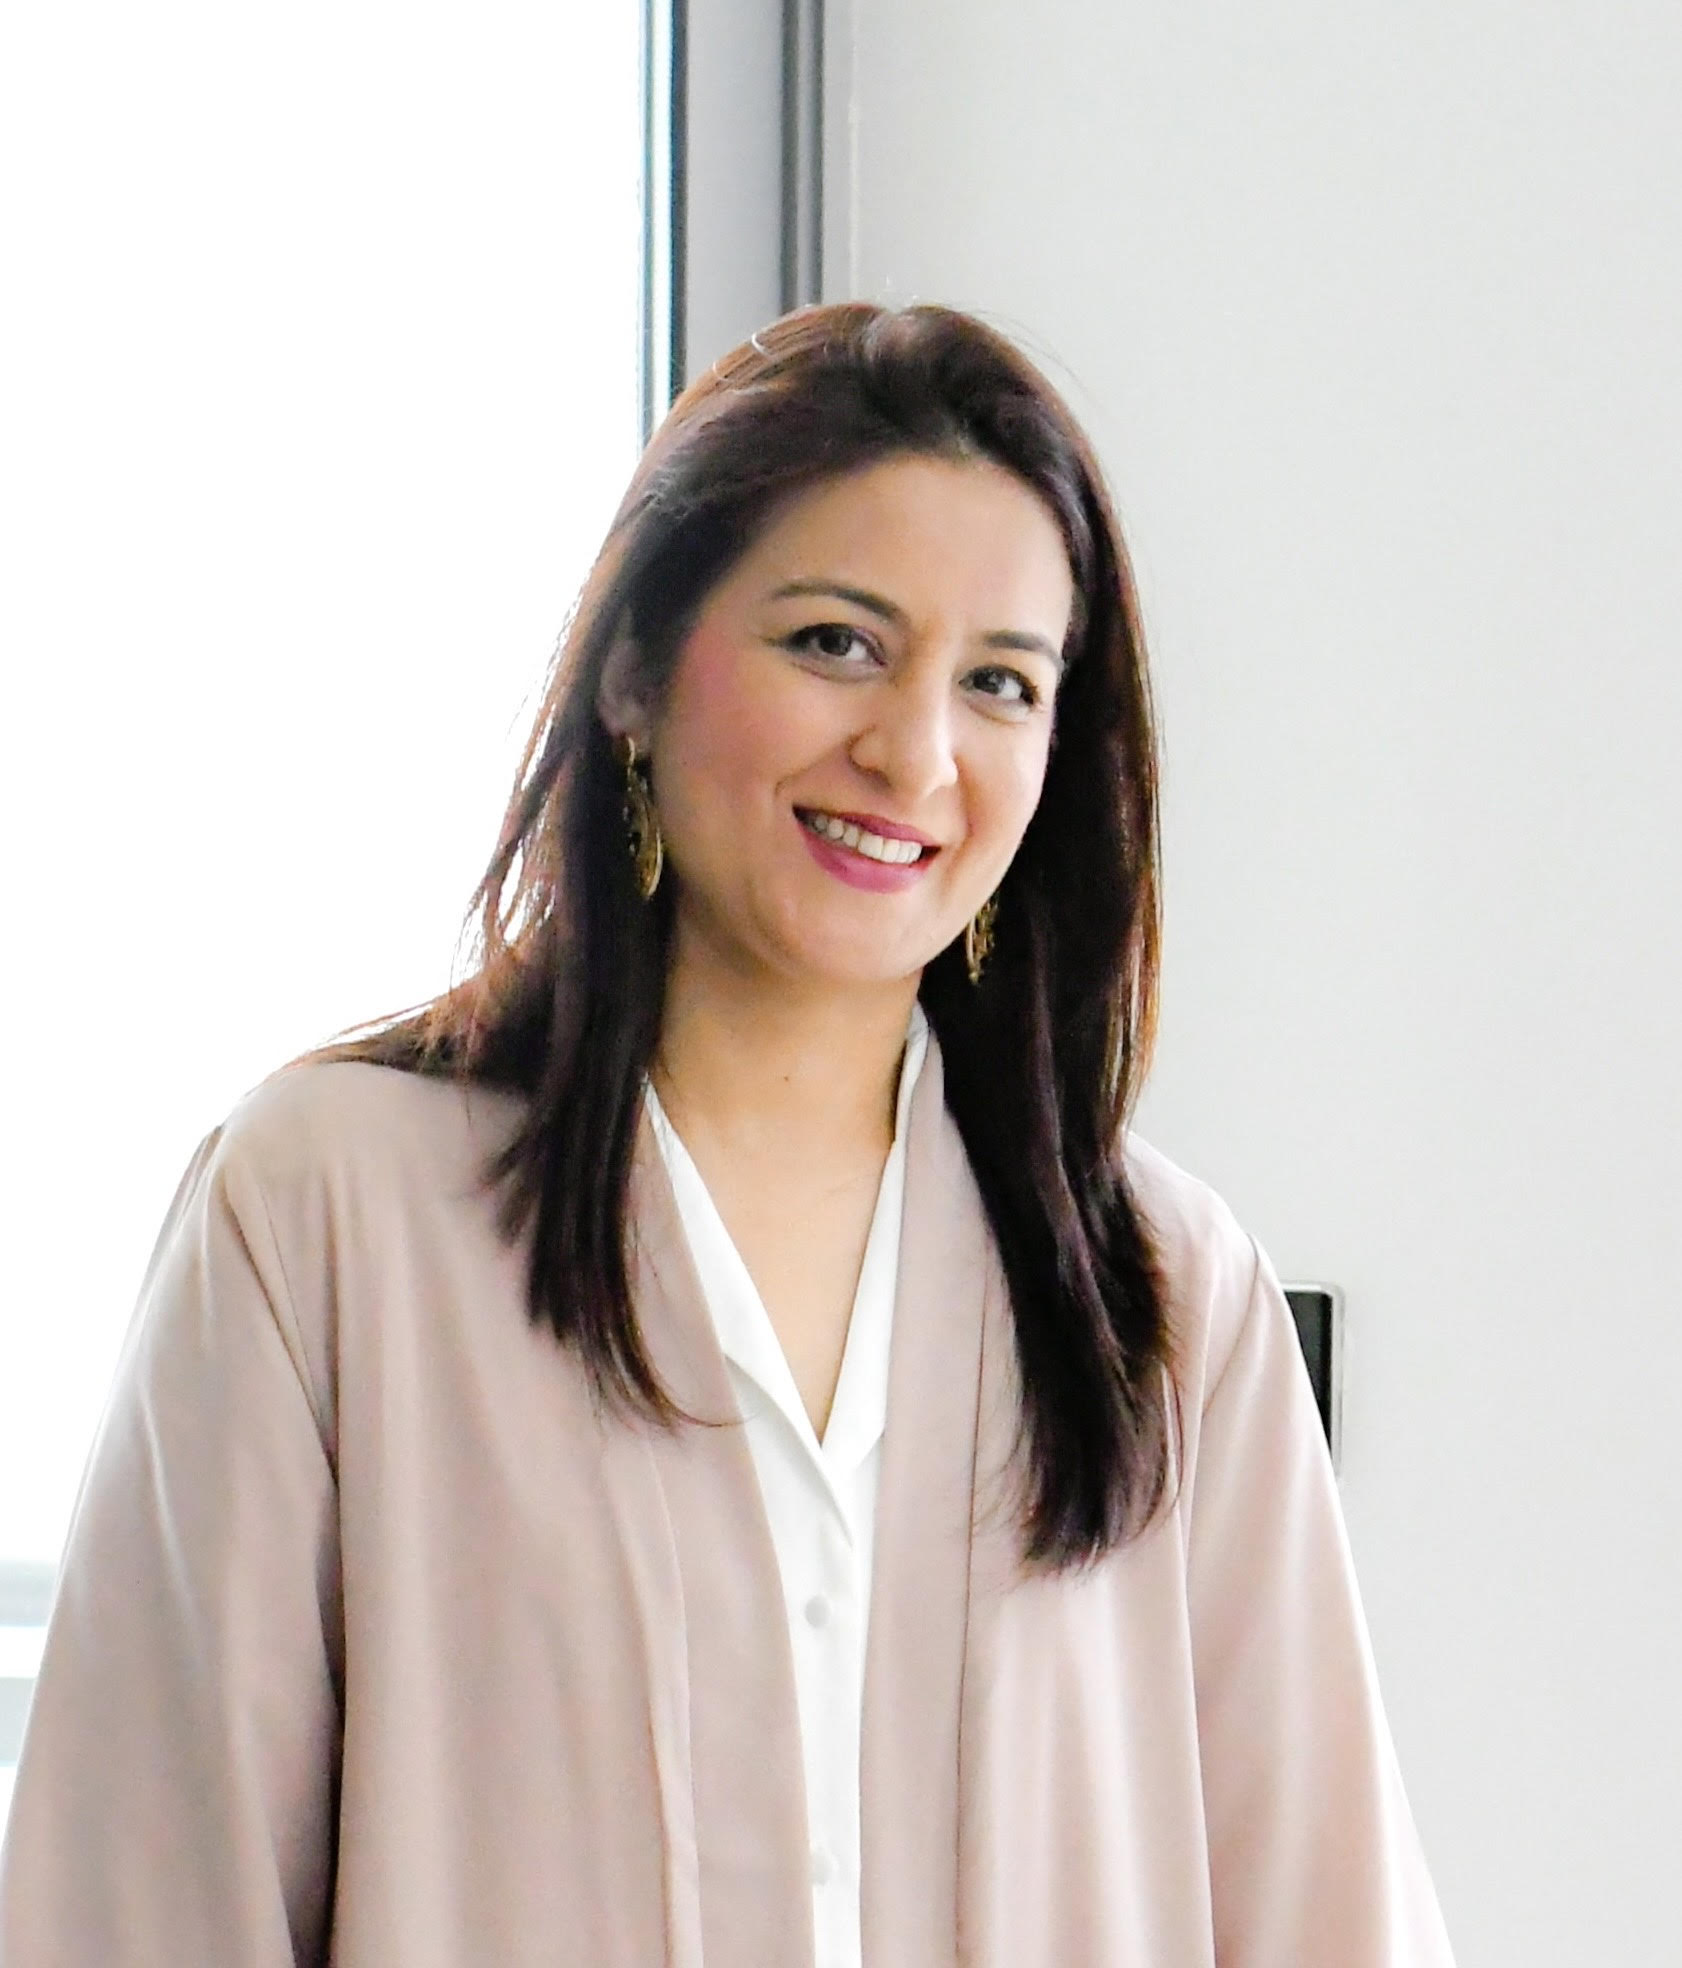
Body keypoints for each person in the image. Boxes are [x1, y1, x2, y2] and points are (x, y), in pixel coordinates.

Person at [0, 302, 1456, 1966]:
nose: (913, 752)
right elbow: (138, 1906)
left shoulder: (1166, 1288)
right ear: (635, 666)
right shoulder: (326, 1212)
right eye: (834, 642)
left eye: (998, 682)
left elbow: (1333, 1924)